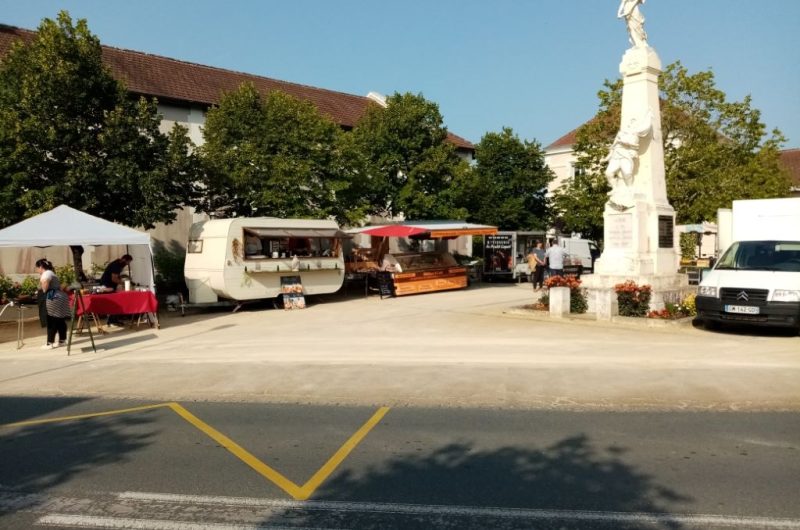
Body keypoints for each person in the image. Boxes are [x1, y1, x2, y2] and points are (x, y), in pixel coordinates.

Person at [35, 259, 71, 349]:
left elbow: (45, 283)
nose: (36, 270)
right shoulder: (51, 272)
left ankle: (49, 343)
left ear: (41, 267)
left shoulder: (46, 273)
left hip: (52, 296)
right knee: (59, 319)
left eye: (37, 268)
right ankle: (62, 340)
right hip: (59, 296)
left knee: (51, 319)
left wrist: (43, 290)